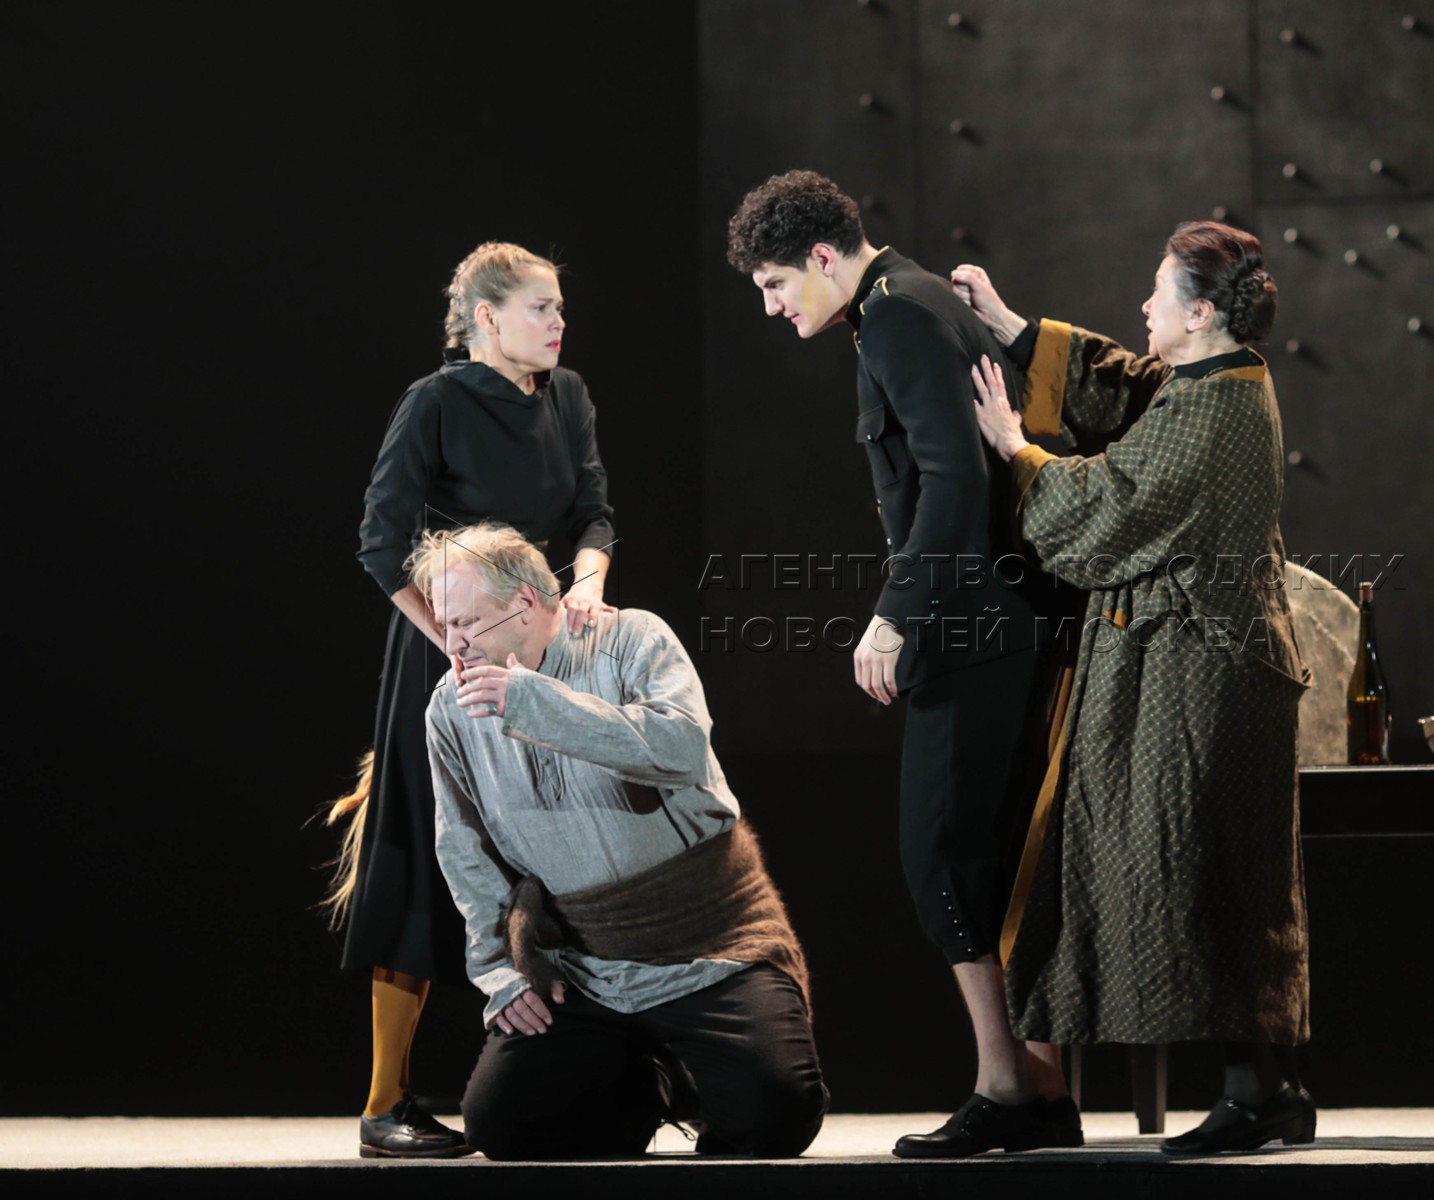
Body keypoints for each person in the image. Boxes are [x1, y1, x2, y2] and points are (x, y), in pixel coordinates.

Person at [726, 170, 1080, 1158]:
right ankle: (1043, 1095)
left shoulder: (896, 316)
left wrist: (893, 617)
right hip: (1007, 617)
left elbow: (953, 479)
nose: (770, 306)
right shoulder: (908, 300)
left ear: (822, 257)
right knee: (999, 862)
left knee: (944, 861)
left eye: (774, 284)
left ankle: (1007, 1089)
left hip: (977, 625)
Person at [954, 222, 1315, 1156]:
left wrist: (1016, 450)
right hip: (1202, 670)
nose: (1144, 305)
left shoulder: (1218, 406)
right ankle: (1270, 1089)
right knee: (1221, 871)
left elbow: (1111, 504)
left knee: (1209, 872)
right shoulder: (1211, 381)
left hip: (1202, 678)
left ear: (1201, 314)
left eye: (1159, 292)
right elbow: (1127, 384)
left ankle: (1257, 1093)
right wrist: (1014, 328)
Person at [330, 243, 617, 1158]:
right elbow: (382, 544)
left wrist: (587, 581)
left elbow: (594, 512)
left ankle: (587, 1075)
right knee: (420, 857)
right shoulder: (436, 402)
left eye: (560, 307)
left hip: (542, 653)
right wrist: (454, 642)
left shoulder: (567, 397)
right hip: (442, 661)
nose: (559, 322)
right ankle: (385, 1105)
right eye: (541, 307)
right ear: (486, 318)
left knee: (565, 852)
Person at [415, 523, 826, 1160]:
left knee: (776, 1114)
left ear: (524, 602)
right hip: (584, 964)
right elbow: (463, 848)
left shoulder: (630, 639)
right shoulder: (449, 706)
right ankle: (646, 1082)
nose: (452, 642)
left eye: (466, 622)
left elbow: (681, 748)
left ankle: (692, 1072)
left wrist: (536, 703)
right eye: (445, 625)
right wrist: (500, 971)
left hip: (708, 944)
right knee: (505, 1125)